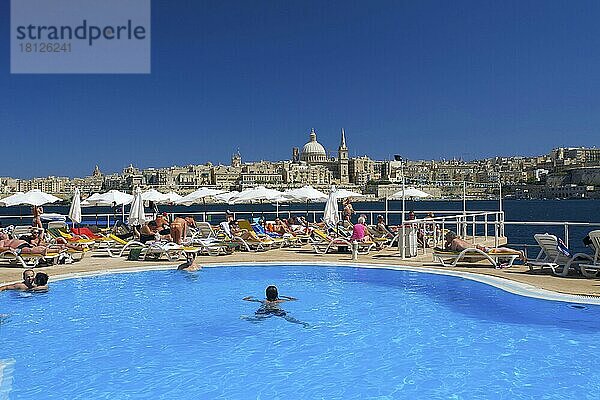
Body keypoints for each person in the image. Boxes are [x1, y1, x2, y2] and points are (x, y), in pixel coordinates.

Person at [242, 285, 308, 327]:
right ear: (277, 294)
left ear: (266, 294)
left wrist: (249, 297)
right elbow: (294, 299)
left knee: (258, 319)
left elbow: (245, 299)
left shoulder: (264, 301)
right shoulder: (280, 301)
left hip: (265, 310)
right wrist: (285, 296)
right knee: (288, 318)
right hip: (277, 310)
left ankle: (245, 318)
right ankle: (302, 323)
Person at [443, 231, 525, 261]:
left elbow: (453, 252)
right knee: (497, 250)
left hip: (478, 250)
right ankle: (517, 252)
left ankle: (518, 252)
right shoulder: (458, 239)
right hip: (477, 248)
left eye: (446, 238)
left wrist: (446, 246)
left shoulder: (454, 241)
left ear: (450, 237)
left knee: (498, 250)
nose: (446, 239)